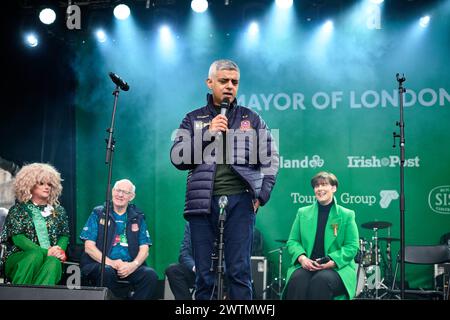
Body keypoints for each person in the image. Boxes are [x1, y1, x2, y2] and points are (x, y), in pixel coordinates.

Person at [170, 59, 279, 300]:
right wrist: (208, 133)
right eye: (223, 81)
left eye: (234, 82)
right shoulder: (192, 118)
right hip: (202, 204)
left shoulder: (252, 118)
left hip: (241, 202)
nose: (230, 86)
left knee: (239, 271)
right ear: (210, 83)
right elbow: (177, 158)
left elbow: (271, 159)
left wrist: (261, 195)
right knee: (205, 277)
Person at [284, 171, 359, 300]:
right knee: (297, 280)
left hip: (337, 268)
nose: (320, 189)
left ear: (333, 188)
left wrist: (332, 261)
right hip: (308, 265)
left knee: (321, 281)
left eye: (324, 185)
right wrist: (302, 258)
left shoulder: (347, 214)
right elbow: (292, 241)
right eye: (316, 186)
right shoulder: (302, 213)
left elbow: (352, 246)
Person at [79, 179, 158, 300]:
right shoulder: (99, 213)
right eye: (118, 190)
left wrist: (133, 265)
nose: (120, 195)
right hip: (101, 264)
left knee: (150, 275)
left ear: (131, 197)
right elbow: (89, 247)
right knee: (107, 271)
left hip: (128, 267)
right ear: (112, 191)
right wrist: (112, 263)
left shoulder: (138, 217)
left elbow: (145, 249)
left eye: (125, 192)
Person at [0, 163, 69, 285]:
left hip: (50, 256)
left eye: (49, 184)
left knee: (53, 263)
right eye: (41, 183)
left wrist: (58, 252)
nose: (46, 187)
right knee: (35, 255)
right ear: (30, 185)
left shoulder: (59, 210)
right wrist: (45, 252)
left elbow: (64, 235)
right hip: (19, 256)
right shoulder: (18, 210)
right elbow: (18, 239)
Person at [165, 222, 196, 300]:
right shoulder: (192, 223)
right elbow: (184, 254)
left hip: (219, 272)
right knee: (173, 270)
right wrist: (194, 267)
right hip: (197, 270)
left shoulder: (227, 223)